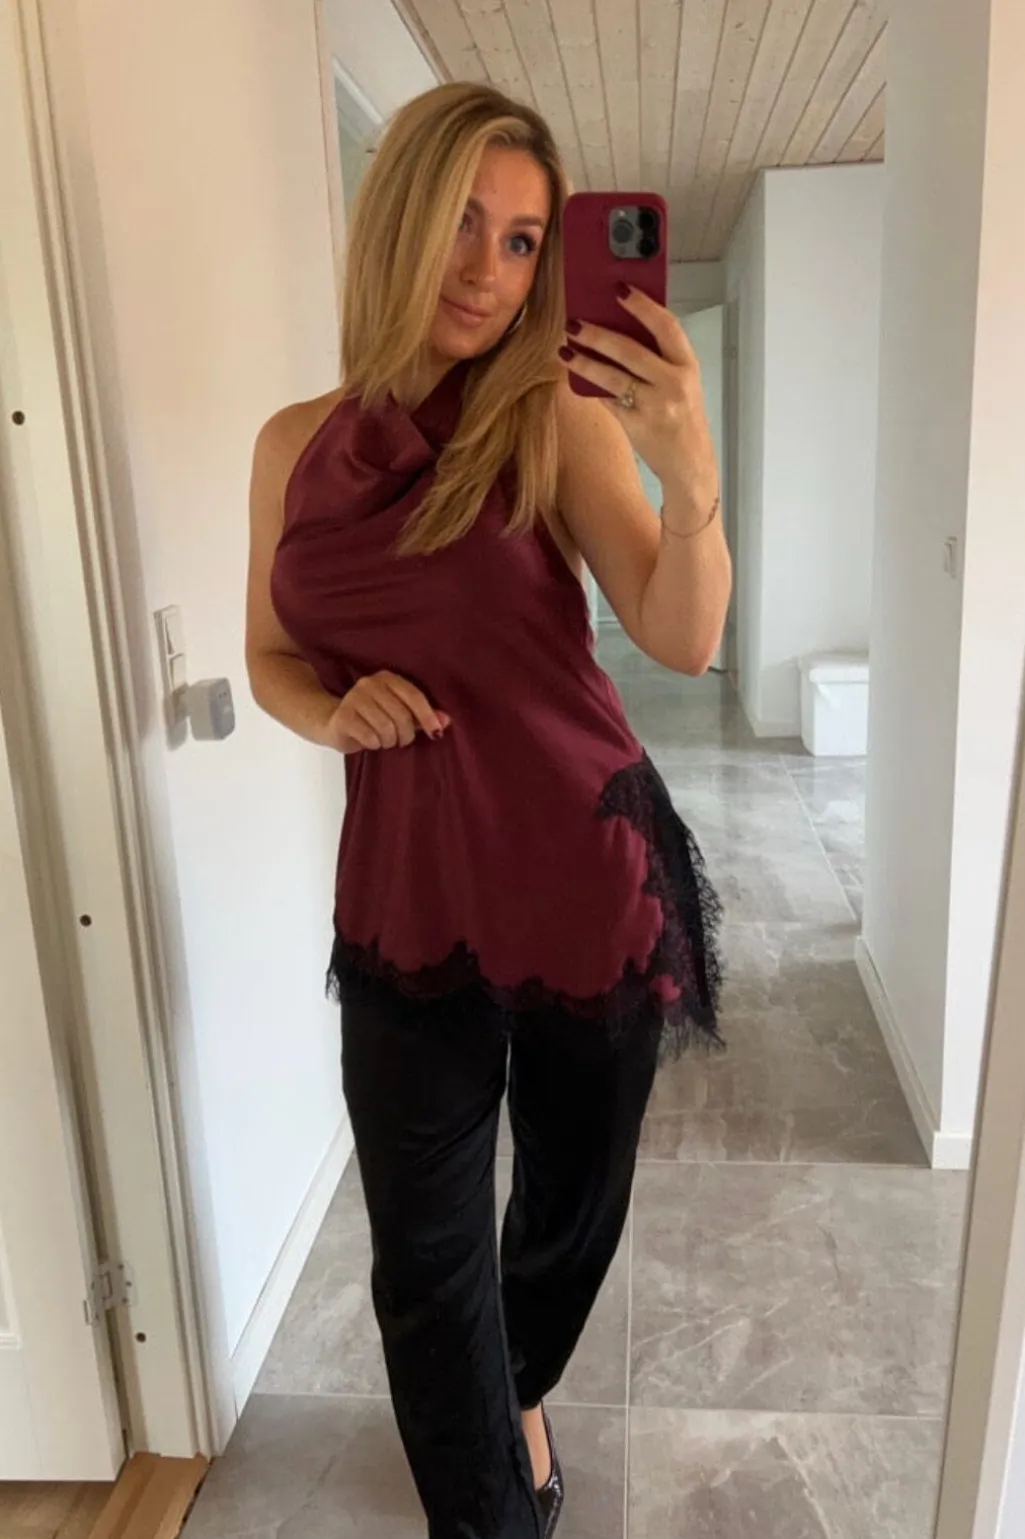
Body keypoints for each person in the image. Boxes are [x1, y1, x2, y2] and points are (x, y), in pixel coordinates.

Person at [246, 80, 730, 1539]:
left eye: (524, 241)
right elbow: (271, 653)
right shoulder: (290, 446)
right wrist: (330, 711)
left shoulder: (550, 418)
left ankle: (515, 1386)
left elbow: (682, 634)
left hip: (581, 874)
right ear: (395, 215)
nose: (489, 269)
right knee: (423, 1263)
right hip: (409, 897)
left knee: (571, 1213)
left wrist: (690, 476)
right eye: (465, 222)